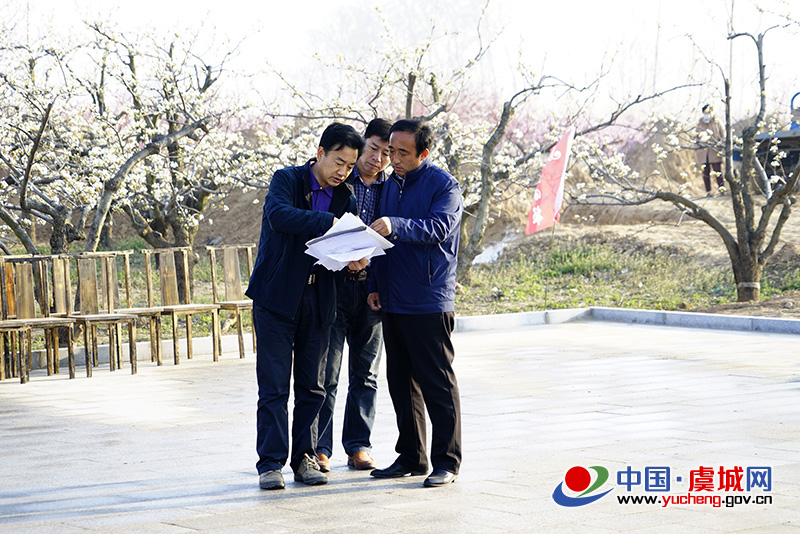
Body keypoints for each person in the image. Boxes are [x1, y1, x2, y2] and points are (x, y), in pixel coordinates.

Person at [246, 122, 367, 490]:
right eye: (339, 162)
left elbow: (342, 247)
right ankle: (270, 464)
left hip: (320, 298)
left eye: (350, 165)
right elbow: (280, 216)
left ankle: (305, 458)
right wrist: (328, 223)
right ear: (320, 153)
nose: (343, 171)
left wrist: (354, 259)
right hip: (277, 299)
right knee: (274, 386)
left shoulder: (346, 197)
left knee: (313, 386)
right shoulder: (287, 180)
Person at [367, 119, 463, 488]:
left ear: (424, 153)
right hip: (393, 299)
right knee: (400, 383)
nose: (394, 159)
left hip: (428, 299)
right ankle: (411, 456)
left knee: (437, 383)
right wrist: (375, 284)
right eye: (391, 151)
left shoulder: (444, 185)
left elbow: (439, 228)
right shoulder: (390, 184)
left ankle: (447, 462)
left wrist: (397, 224)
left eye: (403, 153)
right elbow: (380, 241)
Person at [316, 118, 392, 473]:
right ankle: (321, 448)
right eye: (374, 149)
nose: (378, 159)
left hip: (371, 289)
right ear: (362, 144)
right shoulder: (338, 182)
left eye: (387, 153)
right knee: (327, 372)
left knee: (366, 373)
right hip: (334, 285)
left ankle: (358, 444)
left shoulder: (392, 188)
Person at [695, 104, 725, 195]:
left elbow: (723, 135)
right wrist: (698, 146)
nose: (706, 115)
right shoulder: (700, 124)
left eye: (708, 113)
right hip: (703, 152)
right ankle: (708, 192)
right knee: (705, 172)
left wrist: (720, 145)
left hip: (715, 151)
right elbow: (696, 137)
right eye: (705, 113)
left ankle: (721, 190)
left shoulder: (717, 122)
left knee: (717, 171)